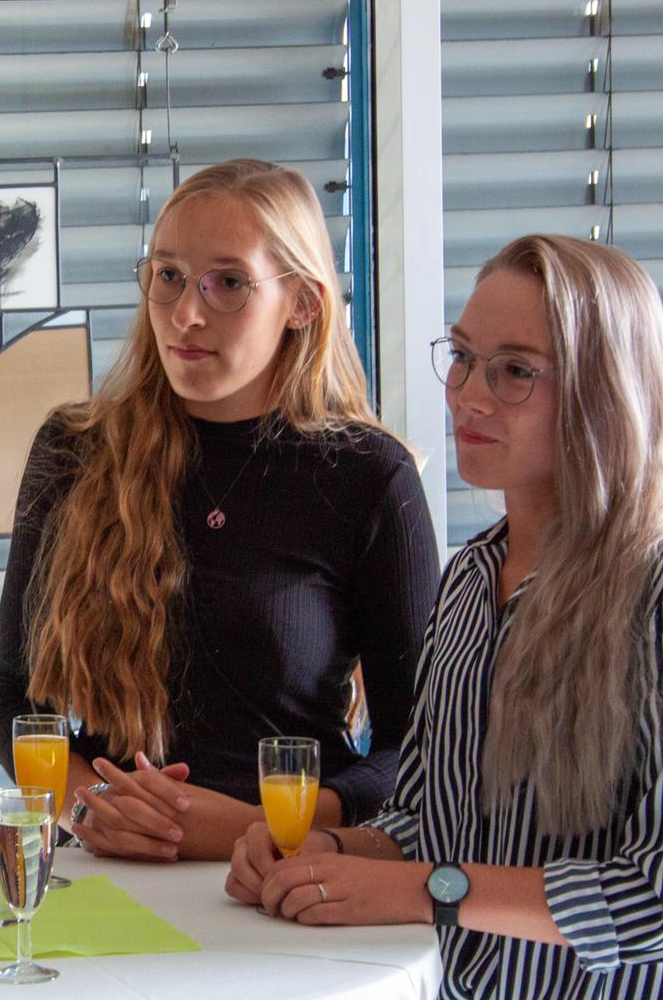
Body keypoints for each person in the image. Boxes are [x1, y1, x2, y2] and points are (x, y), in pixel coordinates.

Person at [228, 234, 663, 997]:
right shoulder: (467, 580)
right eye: (462, 356)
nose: (468, 394)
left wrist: (433, 890)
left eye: (516, 371)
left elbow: (652, 896)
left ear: (606, 387)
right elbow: (423, 818)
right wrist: (324, 852)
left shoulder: (648, 591)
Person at [0, 158, 439, 861]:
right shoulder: (75, 450)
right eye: (168, 275)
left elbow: (417, 752)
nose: (186, 314)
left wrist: (261, 826)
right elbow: (13, 702)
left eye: (229, 283)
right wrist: (93, 806)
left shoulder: (370, 476)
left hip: (287, 877)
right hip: (111, 872)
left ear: (302, 303)